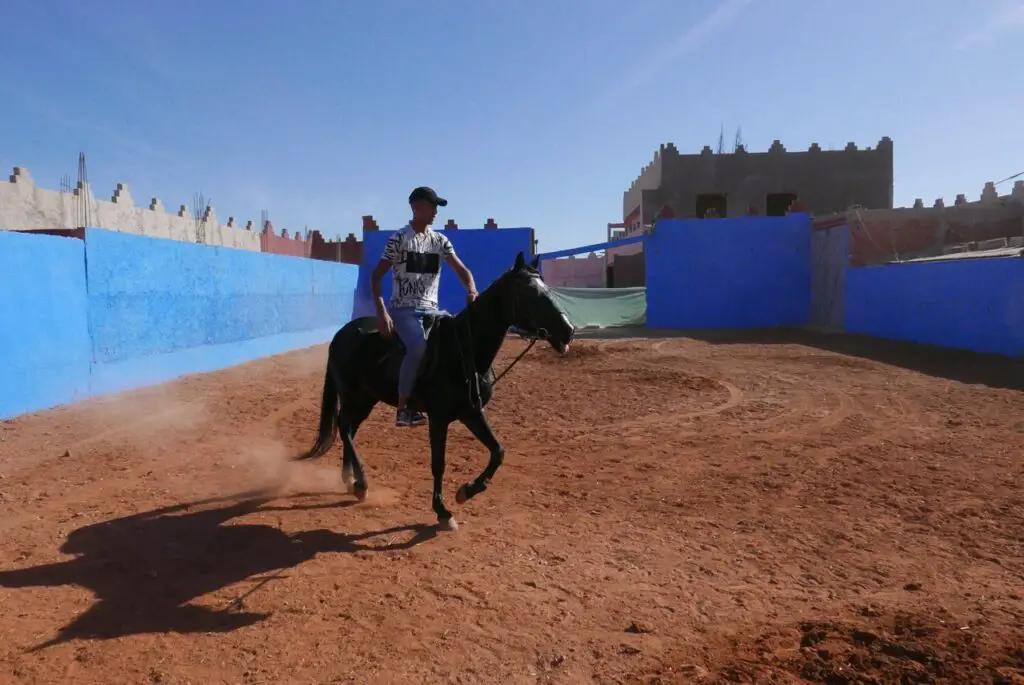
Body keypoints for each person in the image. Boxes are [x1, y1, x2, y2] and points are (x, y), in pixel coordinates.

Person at [370, 186, 478, 427]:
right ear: (416, 207)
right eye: (432, 206)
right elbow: (376, 277)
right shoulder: (398, 239)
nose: (435, 212)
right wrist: (381, 311)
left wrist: (471, 289)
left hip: (433, 310)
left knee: (458, 340)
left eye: (436, 208)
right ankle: (403, 408)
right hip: (404, 310)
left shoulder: (440, 241)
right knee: (418, 347)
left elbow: (463, 271)